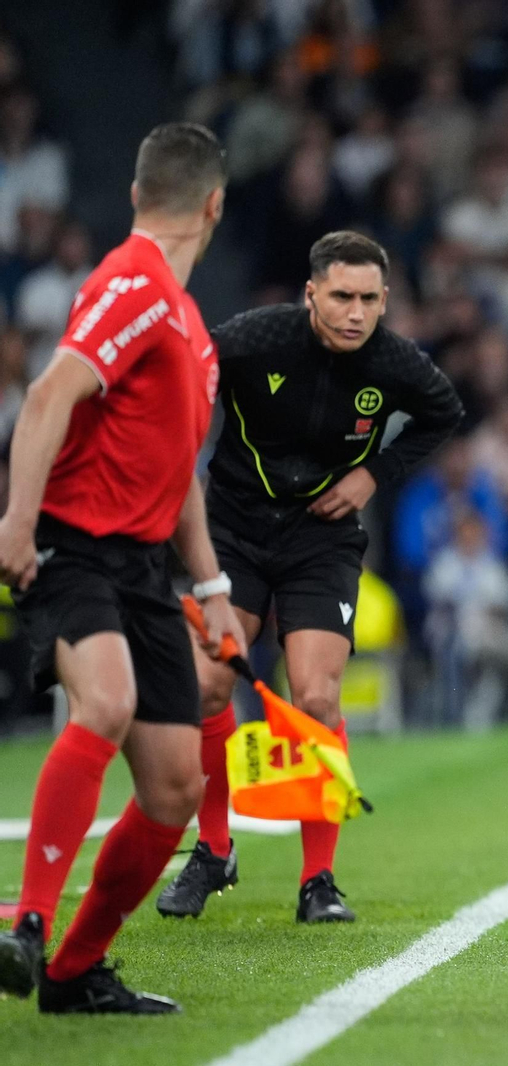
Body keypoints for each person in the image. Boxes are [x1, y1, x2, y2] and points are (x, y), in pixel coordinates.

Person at [0, 123, 244, 1013]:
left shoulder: (190, 329)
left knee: (176, 787)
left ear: (143, 190)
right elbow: (47, 392)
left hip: (145, 568)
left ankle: (72, 971)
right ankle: (25, 924)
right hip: (75, 547)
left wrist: (211, 589)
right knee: (105, 701)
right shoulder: (133, 281)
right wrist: (17, 523)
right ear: (213, 204)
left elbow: (176, 473)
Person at [155, 231, 462, 924]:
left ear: (385, 301)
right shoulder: (251, 339)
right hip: (231, 530)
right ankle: (213, 849)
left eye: (369, 300)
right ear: (311, 294)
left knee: (316, 698)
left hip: (320, 541)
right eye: (341, 296)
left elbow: (444, 414)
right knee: (206, 685)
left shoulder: (399, 364)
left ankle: (318, 881)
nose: (355, 312)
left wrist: (372, 475)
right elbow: (183, 377)